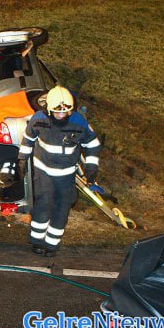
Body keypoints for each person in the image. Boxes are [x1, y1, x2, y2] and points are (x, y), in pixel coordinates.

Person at [18, 86, 101, 257]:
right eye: (57, 112)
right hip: (43, 170)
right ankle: (37, 241)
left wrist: (91, 167)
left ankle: (52, 244)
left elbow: (92, 144)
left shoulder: (78, 122)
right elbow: (28, 139)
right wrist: (21, 160)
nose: (62, 115)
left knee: (62, 208)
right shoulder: (39, 119)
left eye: (65, 112)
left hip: (66, 173)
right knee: (44, 204)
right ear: (49, 109)